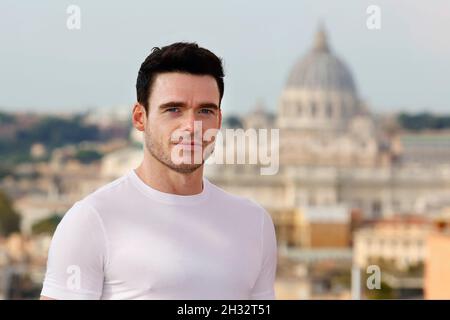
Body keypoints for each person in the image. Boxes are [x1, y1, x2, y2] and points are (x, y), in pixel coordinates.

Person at [40, 42, 277, 300]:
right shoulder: (90, 221)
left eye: (205, 110)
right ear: (140, 117)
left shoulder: (255, 224)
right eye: (173, 109)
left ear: (218, 120)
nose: (192, 126)